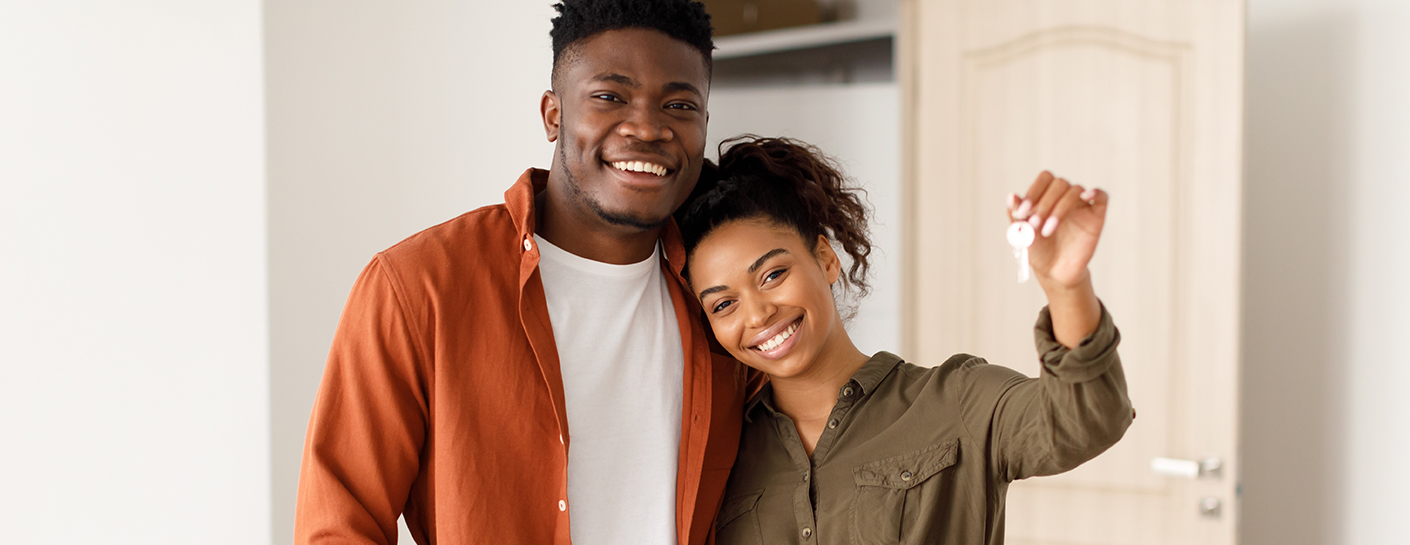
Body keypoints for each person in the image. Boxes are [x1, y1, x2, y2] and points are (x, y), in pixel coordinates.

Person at [293, 1, 759, 544]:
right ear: (553, 115)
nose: (648, 128)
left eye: (679, 105)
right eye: (610, 97)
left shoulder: (725, 299)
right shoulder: (418, 287)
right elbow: (338, 526)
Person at [677, 137, 1134, 544]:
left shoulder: (956, 401)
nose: (757, 314)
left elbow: (1086, 420)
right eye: (723, 305)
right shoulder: (722, 448)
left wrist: (1066, 288)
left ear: (825, 259)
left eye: (773, 274)